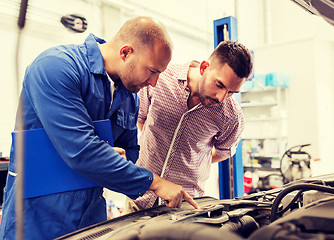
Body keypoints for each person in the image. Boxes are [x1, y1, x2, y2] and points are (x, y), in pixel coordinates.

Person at [0, 16, 199, 240]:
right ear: (126, 52)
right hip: (37, 219)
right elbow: (82, 151)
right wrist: (154, 182)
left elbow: (131, 150)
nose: (153, 83)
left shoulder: (129, 96)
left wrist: (113, 157)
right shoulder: (56, 67)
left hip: (89, 219)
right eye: (152, 71)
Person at [125, 40, 253, 212]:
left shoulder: (231, 116)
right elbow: (141, 119)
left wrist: (192, 159)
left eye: (232, 92)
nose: (222, 97)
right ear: (204, 68)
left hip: (185, 206)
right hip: (140, 194)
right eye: (220, 85)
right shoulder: (161, 78)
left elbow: (222, 152)